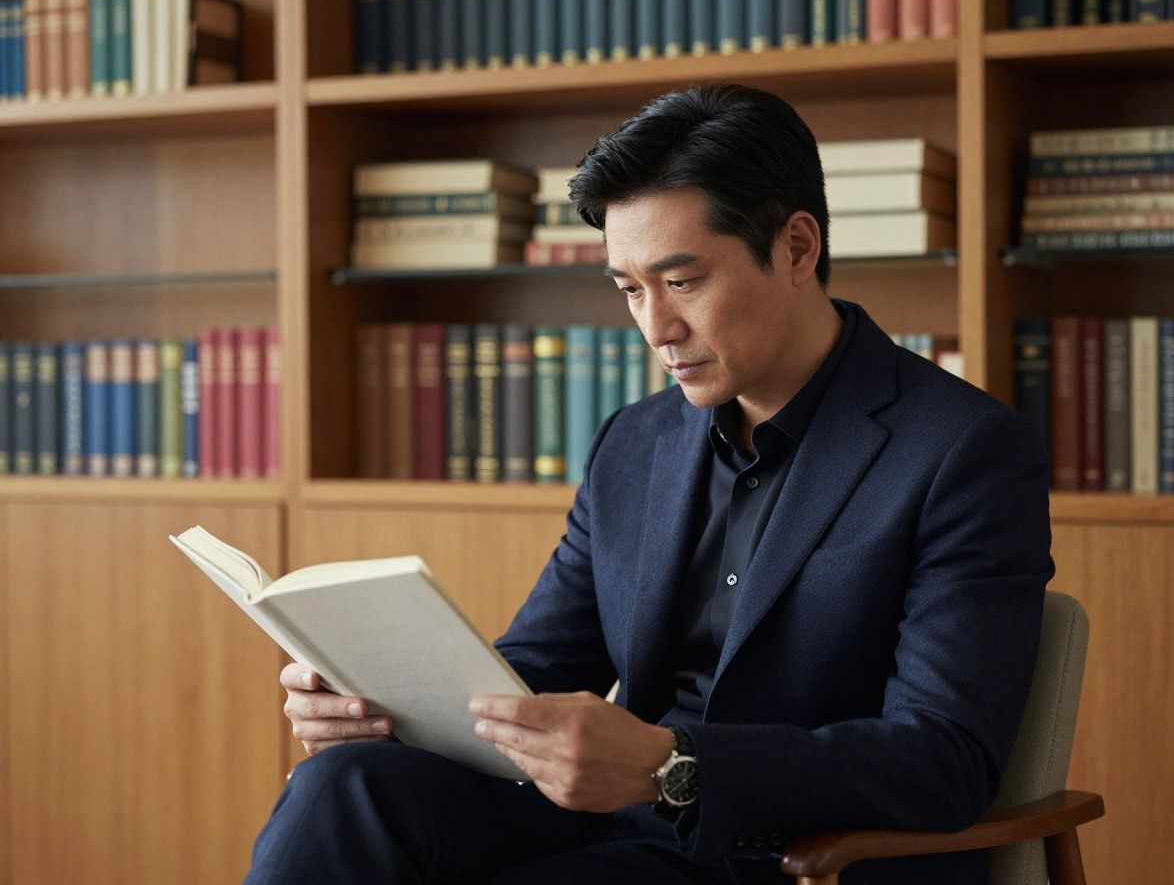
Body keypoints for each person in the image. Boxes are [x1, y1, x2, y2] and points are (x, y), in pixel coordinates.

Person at [245, 84, 1054, 885]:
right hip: (607, 820)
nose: (656, 329)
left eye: (683, 281)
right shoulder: (635, 442)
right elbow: (537, 671)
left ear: (797, 249)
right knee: (342, 785)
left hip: (787, 852)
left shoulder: (963, 451)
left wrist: (675, 766)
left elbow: (942, 760)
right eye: (630, 289)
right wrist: (381, 709)